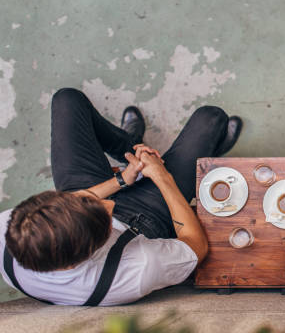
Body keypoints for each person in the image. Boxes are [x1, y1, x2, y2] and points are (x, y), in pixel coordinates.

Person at [0, 88, 243, 306]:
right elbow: (194, 245)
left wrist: (123, 179)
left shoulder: (13, 229)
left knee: (67, 99)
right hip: (146, 219)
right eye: (103, 217)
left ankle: (129, 145)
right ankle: (206, 156)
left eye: (86, 205)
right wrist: (161, 176)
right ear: (92, 251)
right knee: (211, 118)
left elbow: (75, 200)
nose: (109, 203)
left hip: (88, 188)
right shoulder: (135, 271)